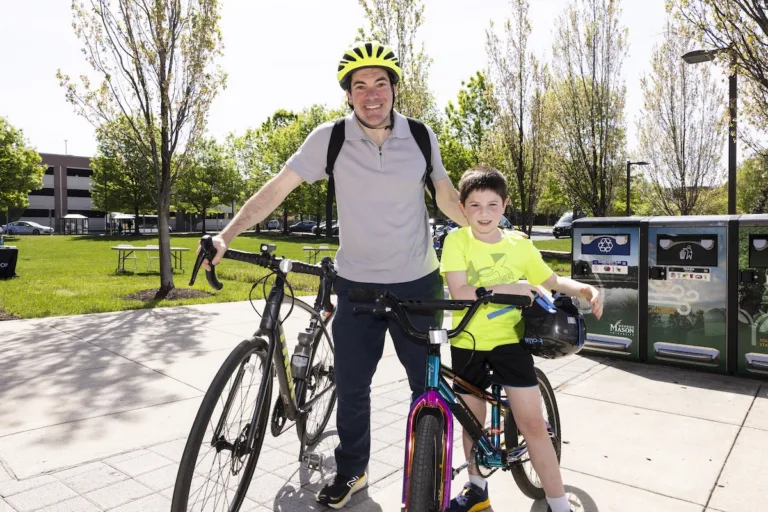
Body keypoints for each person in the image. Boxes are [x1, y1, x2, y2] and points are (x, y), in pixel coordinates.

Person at [201, 41, 466, 509]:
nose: (370, 94)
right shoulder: (331, 138)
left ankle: (426, 470)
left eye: (379, 83)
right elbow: (276, 190)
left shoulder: (422, 136)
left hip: (418, 284)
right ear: (347, 95)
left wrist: (492, 232)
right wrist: (226, 234)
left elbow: (445, 197)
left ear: (394, 88)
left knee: (425, 387)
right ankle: (352, 471)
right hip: (358, 285)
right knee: (351, 386)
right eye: (359, 86)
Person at [440, 166, 603, 512]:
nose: (484, 214)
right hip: (466, 343)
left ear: (505, 205)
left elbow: (551, 281)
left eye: (492, 205)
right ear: (462, 206)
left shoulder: (519, 245)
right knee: (473, 424)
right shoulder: (457, 241)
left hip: (511, 343)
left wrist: (586, 289)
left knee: (531, 424)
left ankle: (559, 504)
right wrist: (509, 288)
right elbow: (460, 290)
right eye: (475, 206)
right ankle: (477, 488)